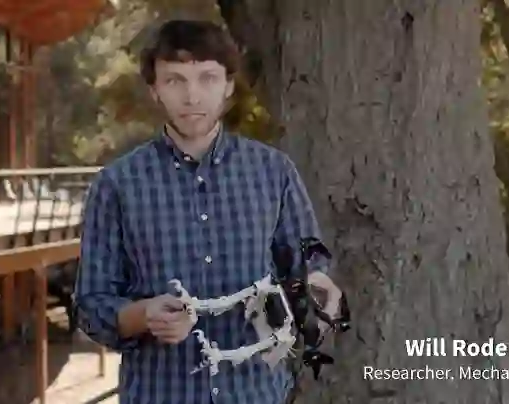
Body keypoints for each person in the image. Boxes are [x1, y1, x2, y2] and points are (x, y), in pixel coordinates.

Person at [73, 19, 343, 404]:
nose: (192, 96)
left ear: (228, 85)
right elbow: (91, 305)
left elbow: (307, 268)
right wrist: (143, 315)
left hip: (257, 394)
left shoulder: (275, 172)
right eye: (175, 80)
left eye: (207, 78)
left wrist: (315, 294)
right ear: (154, 89)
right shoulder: (116, 185)